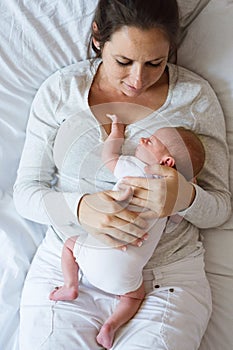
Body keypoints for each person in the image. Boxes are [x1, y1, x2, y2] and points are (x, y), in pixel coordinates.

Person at [13, 0, 231, 349]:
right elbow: (26, 191)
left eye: (155, 63)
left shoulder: (195, 99)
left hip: (165, 278)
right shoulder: (61, 92)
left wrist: (184, 196)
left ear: (171, 48)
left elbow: (221, 208)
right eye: (124, 62)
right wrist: (80, 207)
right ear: (98, 38)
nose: (138, 79)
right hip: (71, 267)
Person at [49, 114, 206, 349]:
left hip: (93, 252)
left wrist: (116, 133)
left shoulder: (134, 168)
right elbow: (176, 220)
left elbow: (108, 156)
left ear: (166, 162)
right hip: (124, 277)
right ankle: (110, 326)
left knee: (70, 244)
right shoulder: (173, 199)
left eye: (150, 142)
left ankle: (70, 286)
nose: (142, 140)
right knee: (134, 296)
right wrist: (189, 182)